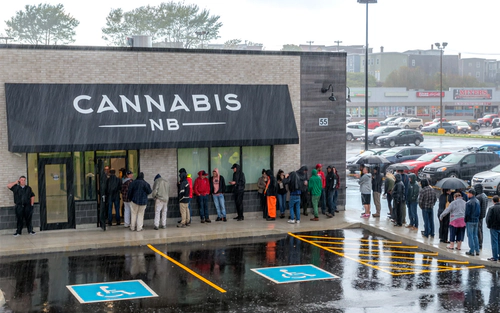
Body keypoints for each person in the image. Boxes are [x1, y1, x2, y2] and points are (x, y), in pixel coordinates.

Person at [465, 188, 481, 256]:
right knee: (475, 235)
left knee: (470, 236)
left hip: (470, 220)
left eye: (468, 193)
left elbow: (467, 213)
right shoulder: (477, 201)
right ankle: (477, 250)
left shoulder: (468, 203)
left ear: (471, 194)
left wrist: (465, 220)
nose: (467, 194)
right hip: (476, 220)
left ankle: (471, 250)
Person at [486, 195, 500, 261]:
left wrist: (489, 225)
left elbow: (488, 218)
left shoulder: (492, 208)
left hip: (494, 227)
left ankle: (495, 256)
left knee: (494, 242)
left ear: (493, 201)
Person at [475, 184, 488, 250]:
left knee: (478, 230)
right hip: (482, 215)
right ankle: (480, 243)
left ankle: (479, 244)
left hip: (478, 216)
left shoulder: (478, 197)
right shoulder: (485, 196)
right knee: (481, 230)